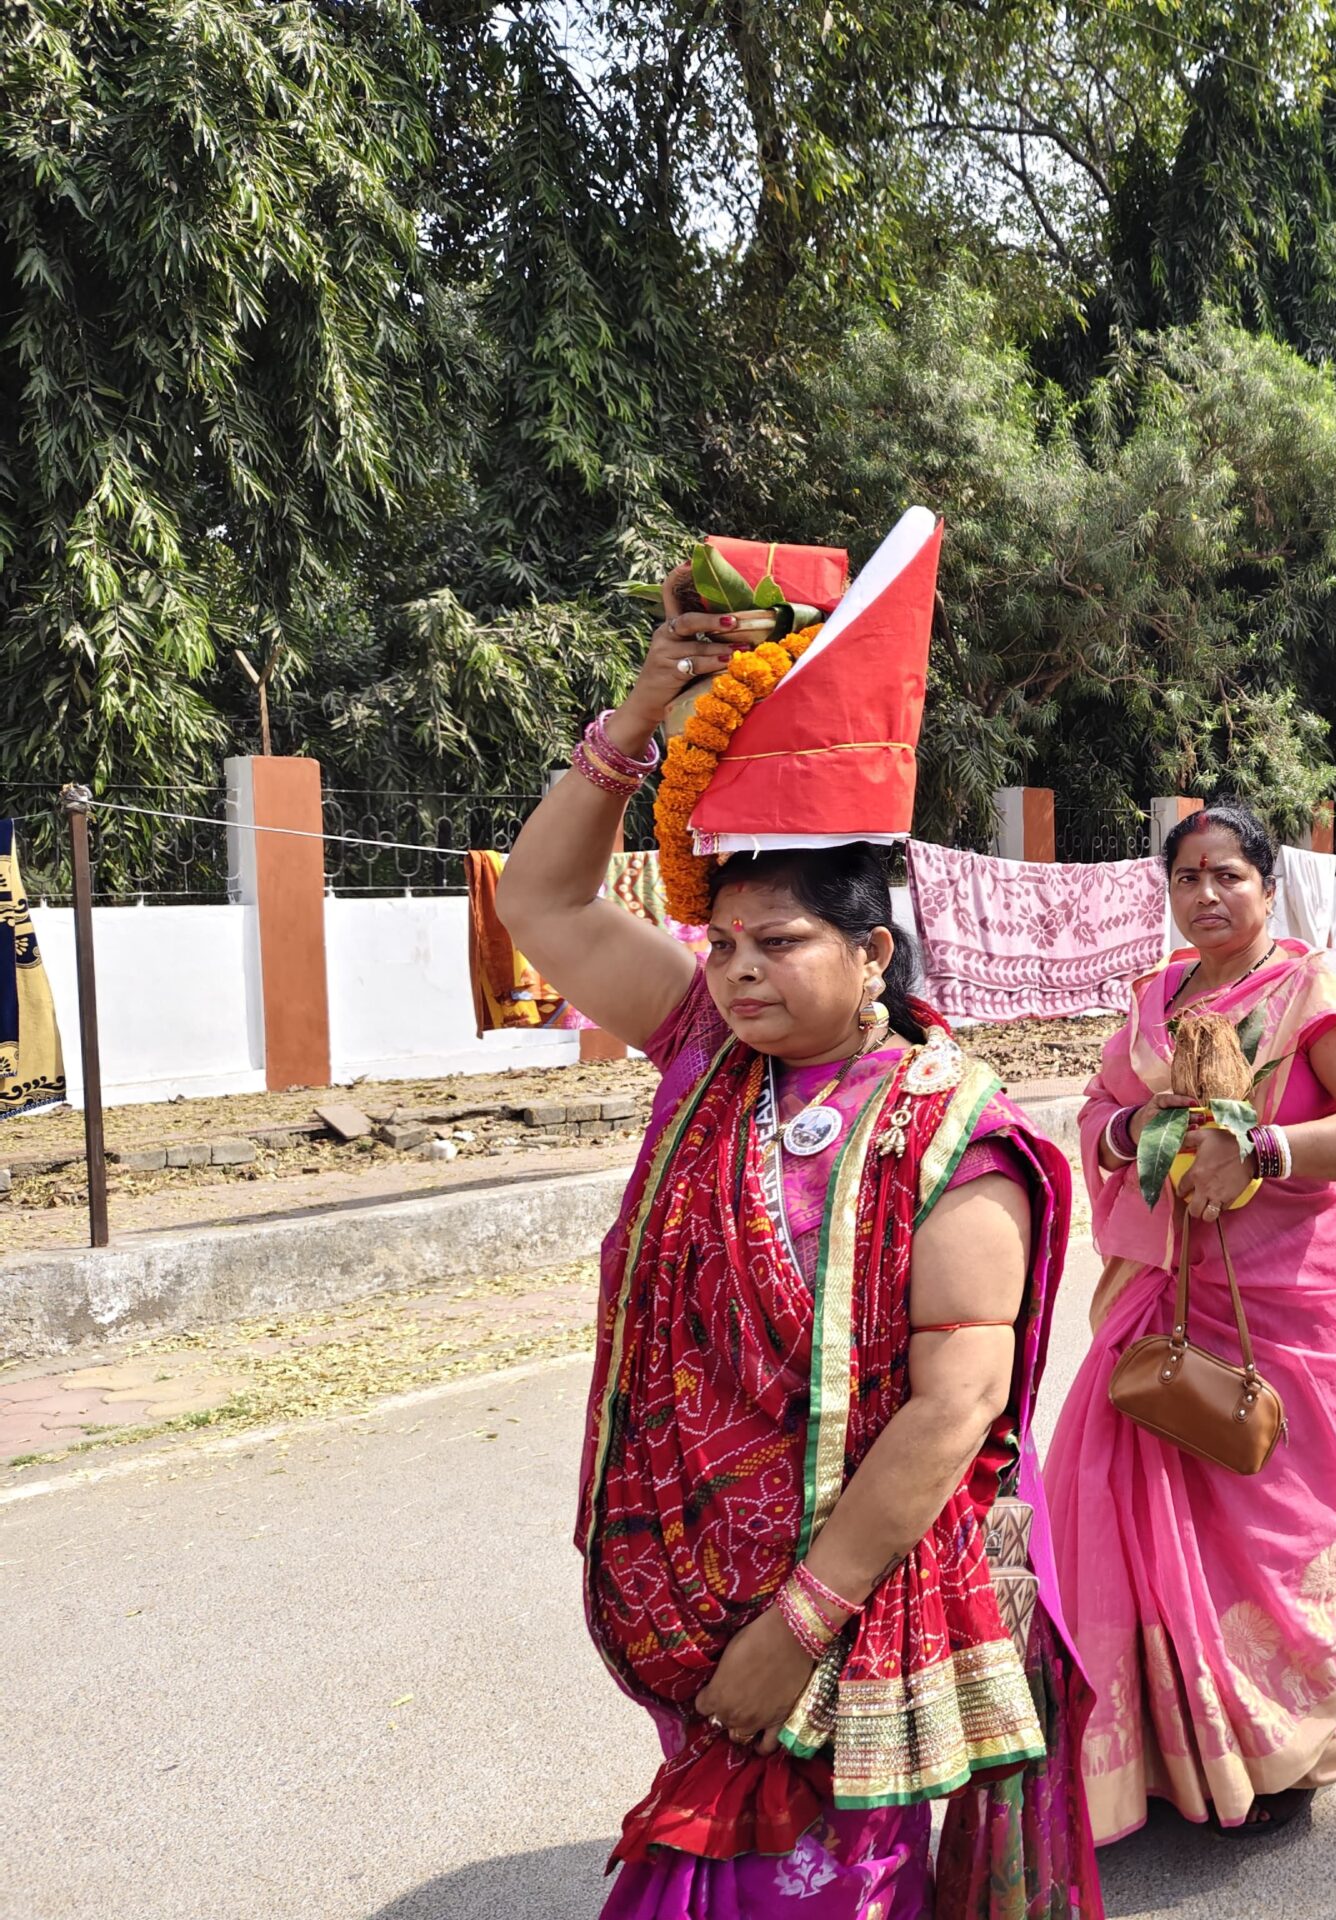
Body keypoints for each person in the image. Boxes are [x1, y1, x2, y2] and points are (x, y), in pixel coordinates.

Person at [498, 555, 1103, 1917]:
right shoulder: (707, 1052)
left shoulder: (951, 1131)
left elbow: (955, 1407)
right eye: (721, 946)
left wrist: (797, 1626)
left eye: (777, 943)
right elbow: (543, 906)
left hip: (845, 1617)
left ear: (873, 953)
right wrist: (633, 725)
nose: (738, 972)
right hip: (691, 1596)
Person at [1049, 803, 1336, 1839]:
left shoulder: (1311, 991)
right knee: (1115, 1492)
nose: (1206, 895)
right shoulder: (1155, 999)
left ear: (1266, 884)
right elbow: (1096, 1113)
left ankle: (1276, 1742)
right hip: (1161, 1297)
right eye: (1187, 878)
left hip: (1282, 1304)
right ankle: (1167, 1753)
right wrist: (1135, 1126)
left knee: (1272, 1523)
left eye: (1228, 875)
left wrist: (1264, 1150)